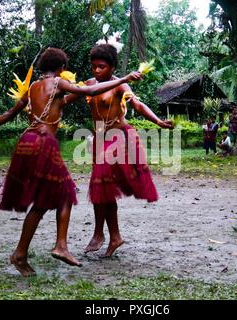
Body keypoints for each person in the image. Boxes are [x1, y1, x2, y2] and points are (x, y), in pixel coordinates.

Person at [0, 47, 143, 277]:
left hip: (27, 142)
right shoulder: (57, 83)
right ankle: (60, 246)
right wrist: (123, 78)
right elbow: (90, 89)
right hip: (44, 144)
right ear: (61, 69)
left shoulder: (33, 88)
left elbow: (10, 114)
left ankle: (20, 255)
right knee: (66, 194)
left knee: (44, 202)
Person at [64, 43, 173, 258]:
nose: (96, 70)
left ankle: (105, 235)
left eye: (102, 66)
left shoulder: (120, 85)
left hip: (117, 138)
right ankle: (108, 235)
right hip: (98, 140)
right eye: (94, 66)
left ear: (112, 67)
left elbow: (139, 106)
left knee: (101, 185)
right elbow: (65, 99)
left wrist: (158, 122)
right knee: (100, 188)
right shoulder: (89, 84)